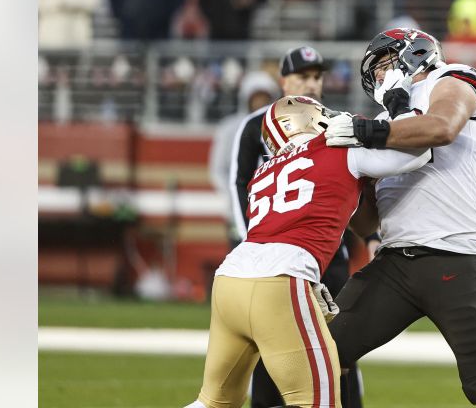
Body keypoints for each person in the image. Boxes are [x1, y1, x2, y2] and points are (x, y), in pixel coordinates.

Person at [182, 96, 433, 408]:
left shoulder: (265, 171)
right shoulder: (339, 148)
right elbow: (419, 150)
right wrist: (400, 109)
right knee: (318, 401)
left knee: (213, 402)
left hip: (231, 278)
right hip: (280, 280)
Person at [323, 29, 476, 408]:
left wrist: (366, 132)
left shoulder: (451, 78)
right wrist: (354, 181)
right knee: (326, 355)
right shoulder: (384, 118)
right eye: (376, 71)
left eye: (384, 64)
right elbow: (365, 226)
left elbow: (441, 128)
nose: (381, 77)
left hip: (457, 257)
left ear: (414, 54)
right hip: (396, 261)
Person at [230, 45, 363, 408]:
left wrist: (364, 236)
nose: (312, 84)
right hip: (273, 255)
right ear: (283, 80)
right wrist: (254, 243)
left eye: (317, 76)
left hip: (327, 254)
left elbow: (354, 186)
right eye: (303, 76)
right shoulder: (257, 124)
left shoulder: (337, 123)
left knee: (339, 347)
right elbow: (239, 183)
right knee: (269, 346)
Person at [208, 70, 279, 242]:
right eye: (256, 97)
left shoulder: (281, 128)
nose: (261, 103)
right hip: (241, 209)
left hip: (274, 209)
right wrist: (236, 195)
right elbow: (218, 169)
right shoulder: (230, 128)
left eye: (265, 97)